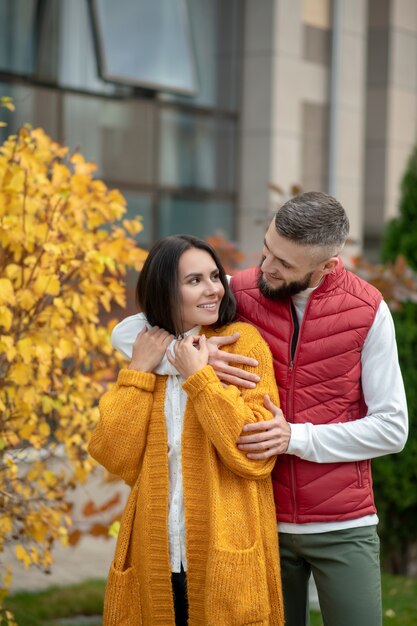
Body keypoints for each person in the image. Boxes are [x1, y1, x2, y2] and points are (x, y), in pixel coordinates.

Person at [112, 192, 408, 626]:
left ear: (326, 266)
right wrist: (190, 353)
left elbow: (392, 428)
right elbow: (128, 332)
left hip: (341, 521)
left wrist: (295, 437)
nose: (267, 267)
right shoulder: (242, 288)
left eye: (285, 264)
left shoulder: (368, 311)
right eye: (267, 249)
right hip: (259, 519)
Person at [89, 234, 284, 626]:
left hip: (226, 549)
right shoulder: (147, 351)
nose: (213, 288)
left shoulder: (242, 344)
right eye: (194, 280)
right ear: (165, 288)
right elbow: (114, 455)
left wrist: (201, 379)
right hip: (154, 551)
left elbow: (254, 458)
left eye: (214, 276)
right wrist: (138, 372)